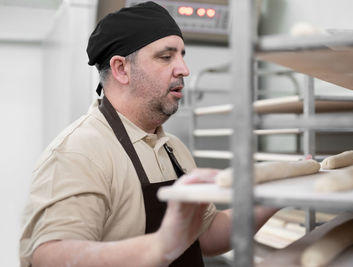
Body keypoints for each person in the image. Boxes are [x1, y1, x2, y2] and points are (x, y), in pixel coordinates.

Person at [19, 2, 277, 266]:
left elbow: (207, 235)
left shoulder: (173, 148)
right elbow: (48, 257)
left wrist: (275, 194)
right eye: (166, 57)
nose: (184, 69)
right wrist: (161, 245)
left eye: (182, 55)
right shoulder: (79, 152)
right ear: (121, 69)